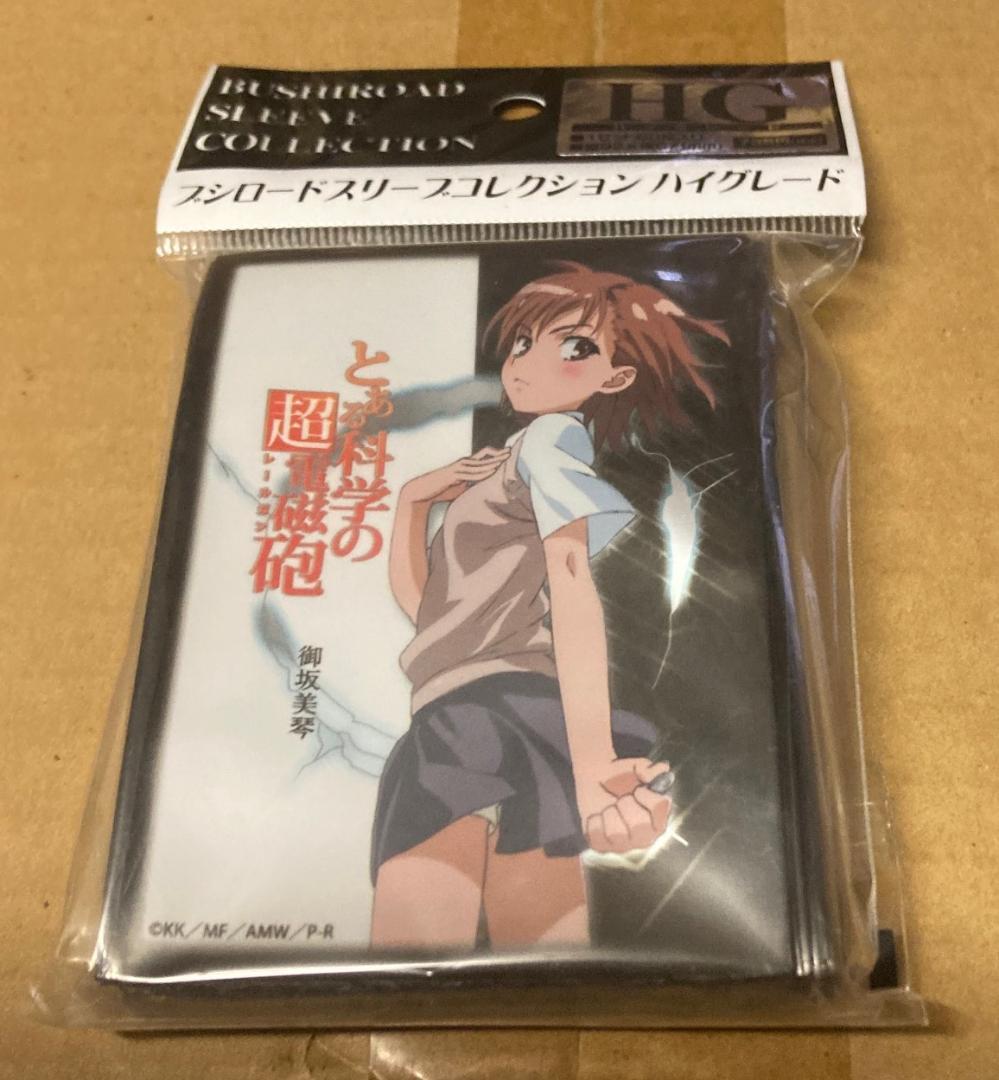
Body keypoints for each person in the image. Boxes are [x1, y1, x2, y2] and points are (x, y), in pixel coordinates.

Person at [370, 261, 728, 949]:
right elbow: (432, 615)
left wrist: (593, 765)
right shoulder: (512, 460)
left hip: (473, 717)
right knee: (542, 959)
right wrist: (412, 501)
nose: (527, 363)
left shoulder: (549, 440)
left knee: (411, 962)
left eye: (575, 348)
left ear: (614, 380)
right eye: (522, 343)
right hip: (501, 709)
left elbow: (570, 579)